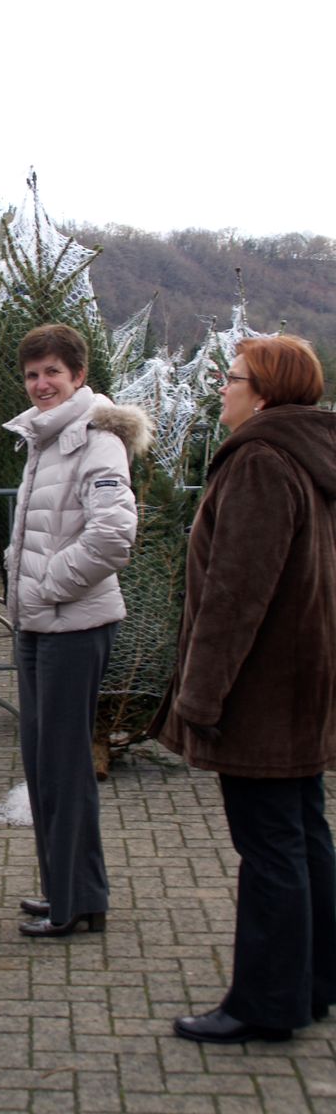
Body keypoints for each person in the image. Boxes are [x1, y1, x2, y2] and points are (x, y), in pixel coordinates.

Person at [154, 334, 336, 1044]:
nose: (220, 389)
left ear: (262, 393)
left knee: (270, 847)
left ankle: (265, 1001)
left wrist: (200, 697)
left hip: (263, 691)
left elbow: (236, 594)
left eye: (231, 378)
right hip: (305, 680)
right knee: (302, 833)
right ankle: (315, 979)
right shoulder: (311, 453)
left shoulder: (261, 460)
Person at [4, 324, 151, 937]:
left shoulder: (96, 439)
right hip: (40, 624)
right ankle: (73, 892)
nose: (41, 384)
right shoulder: (44, 437)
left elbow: (114, 534)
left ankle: (72, 907)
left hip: (72, 626)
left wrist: (46, 585)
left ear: (78, 377)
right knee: (46, 765)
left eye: (52, 373)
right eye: (33, 373)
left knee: (62, 767)